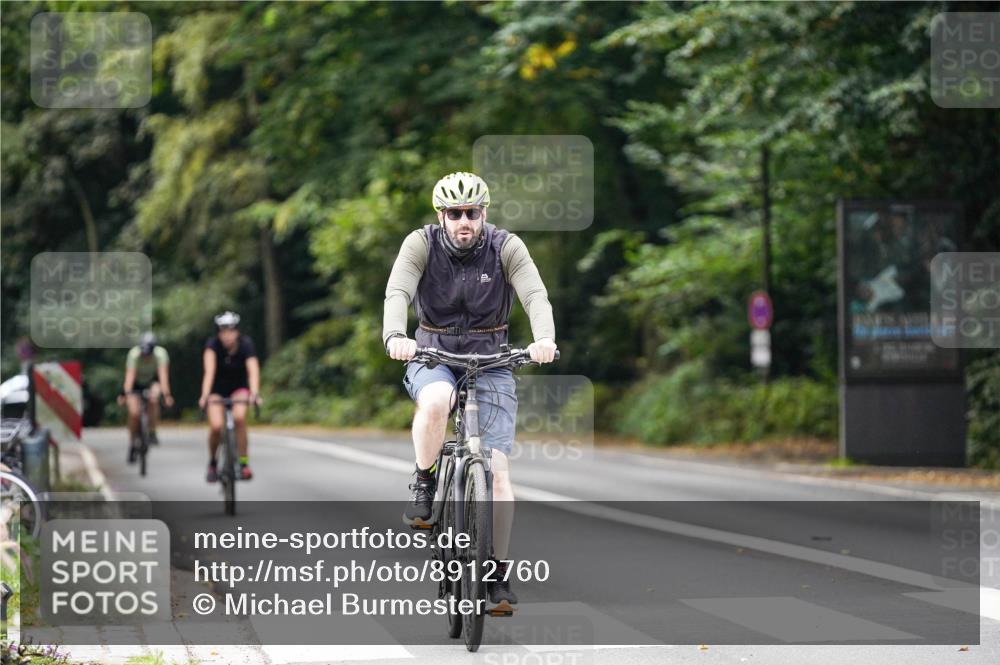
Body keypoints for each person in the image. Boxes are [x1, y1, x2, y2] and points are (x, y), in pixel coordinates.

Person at [383, 171, 558, 608]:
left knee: (497, 472)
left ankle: (497, 573)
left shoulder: (506, 247)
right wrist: (394, 336)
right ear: (441, 215)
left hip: (493, 359)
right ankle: (424, 484)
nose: (466, 221)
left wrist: (544, 341)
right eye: (456, 214)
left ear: (484, 213)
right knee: (437, 400)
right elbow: (397, 292)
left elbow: (536, 296)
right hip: (432, 354)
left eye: (473, 213)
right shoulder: (420, 244)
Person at [199, 311, 262, 482]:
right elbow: (209, 372)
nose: (227, 335)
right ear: (218, 332)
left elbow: (253, 370)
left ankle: (243, 463)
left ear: (237, 332)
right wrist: (204, 395)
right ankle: (213, 462)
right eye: (223, 331)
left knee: (239, 418)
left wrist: (255, 392)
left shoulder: (246, 344)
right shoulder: (212, 345)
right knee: (216, 426)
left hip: (238, 389)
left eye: (231, 331)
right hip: (217, 390)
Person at [120, 332, 173, 462]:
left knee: (154, 398)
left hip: (151, 382)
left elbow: (163, 377)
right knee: (134, 413)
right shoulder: (134, 355)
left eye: (148, 354)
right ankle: (132, 443)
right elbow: (129, 378)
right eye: (144, 354)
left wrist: (167, 395)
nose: (146, 357)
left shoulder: (161, 354)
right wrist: (124, 394)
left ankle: (152, 430)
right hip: (135, 383)